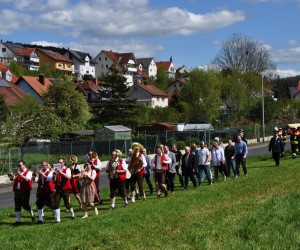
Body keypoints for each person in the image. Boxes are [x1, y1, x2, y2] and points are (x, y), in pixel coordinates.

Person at [9, 160, 35, 225]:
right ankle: (18, 221)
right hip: (17, 191)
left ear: (24, 165)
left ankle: (32, 214)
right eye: (18, 165)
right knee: (17, 205)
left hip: (25, 191)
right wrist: (12, 178)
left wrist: (20, 175)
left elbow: (27, 179)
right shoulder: (18, 172)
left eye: (20, 165)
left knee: (25, 205)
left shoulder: (29, 172)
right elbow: (14, 180)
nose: (19, 167)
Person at [53, 158, 75, 222]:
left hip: (66, 188)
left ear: (64, 163)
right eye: (59, 162)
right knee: (56, 203)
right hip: (58, 188)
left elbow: (69, 177)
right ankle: (58, 219)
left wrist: (61, 172)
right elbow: (53, 179)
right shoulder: (56, 170)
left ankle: (72, 214)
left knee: (67, 204)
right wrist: (54, 174)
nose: (60, 164)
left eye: (61, 162)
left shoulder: (67, 169)